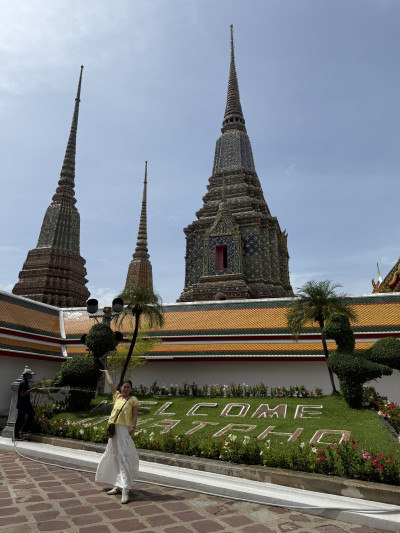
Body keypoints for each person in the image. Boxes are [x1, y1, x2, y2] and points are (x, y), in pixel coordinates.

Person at [95, 369, 139, 504]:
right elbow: (110, 384)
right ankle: (117, 485)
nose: (125, 389)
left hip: (124, 430)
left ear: (131, 389)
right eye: (124, 387)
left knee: (124, 457)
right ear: (121, 388)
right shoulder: (117, 397)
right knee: (114, 456)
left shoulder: (133, 400)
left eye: (128, 387)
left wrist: (133, 427)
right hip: (113, 430)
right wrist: (106, 372)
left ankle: (125, 488)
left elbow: (134, 415)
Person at [14, 368, 37, 441]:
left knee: (31, 414)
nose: (31, 376)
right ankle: (16, 436)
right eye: (30, 374)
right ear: (26, 375)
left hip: (26, 404)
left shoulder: (26, 381)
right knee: (20, 420)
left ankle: (24, 429)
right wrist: (31, 390)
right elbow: (22, 394)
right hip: (23, 404)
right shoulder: (23, 383)